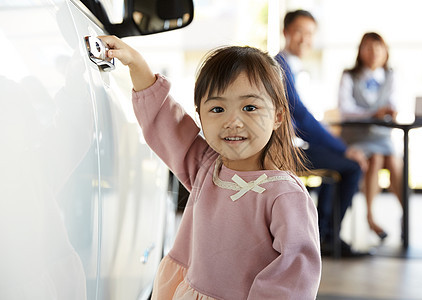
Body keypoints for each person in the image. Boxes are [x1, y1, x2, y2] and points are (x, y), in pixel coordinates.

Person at [99, 36, 321, 299]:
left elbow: (294, 274)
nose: (233, 121)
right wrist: (136, 64)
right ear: (200, 116)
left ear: (278, 116)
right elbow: (166, 120)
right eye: (217, 108)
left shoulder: (284, 195)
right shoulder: (206, 168)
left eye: (249, 107)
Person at [275, 9, 368, 257]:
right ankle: (328, 236)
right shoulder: (279, 67)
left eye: (310, 34)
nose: (305, 39)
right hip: (283, 152)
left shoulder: (293, 67)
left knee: (338, 161)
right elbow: (302, 119)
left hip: (296, 146)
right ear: (285, 32)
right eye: (299, 32)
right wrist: (343, 148)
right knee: (351, 165)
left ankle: (324, 233)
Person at [338, 32, 403, 240]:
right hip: (356, 137)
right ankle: (370, 216)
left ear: (385, 52)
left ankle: (404, 213)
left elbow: (395, 103)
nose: (373, 53)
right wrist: (372, 114)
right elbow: (345, 109)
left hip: (382, 137)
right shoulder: (349, 75)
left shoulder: (391, 76)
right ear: (360, 51)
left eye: (378, 47)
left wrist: (391, 111)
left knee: (393, 160)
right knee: (375, 158)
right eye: (368, 47)